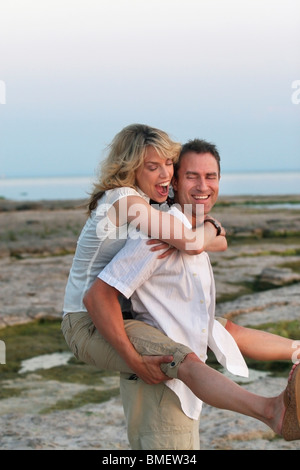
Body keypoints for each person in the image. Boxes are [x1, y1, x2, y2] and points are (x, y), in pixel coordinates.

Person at [83, 139, 300, 449]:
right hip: (160, 390)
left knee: (218, 325)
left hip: (182, 386)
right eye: (191, 176)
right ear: (173, 183)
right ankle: (271, 411)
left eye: (210, 176)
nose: (203, 185)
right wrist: (132, 358)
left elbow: (217, 326)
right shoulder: (157, 235)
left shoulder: (191, 231)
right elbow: (97, 296)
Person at [62, 123, 226, 387]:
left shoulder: (149, 201)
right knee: (186, 356)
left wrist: (205, 230)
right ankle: (268, 409)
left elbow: (218, 242)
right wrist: (207, 229)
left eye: (169, 163)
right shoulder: (124, 200)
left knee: (216, 327)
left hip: (116, 314)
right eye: (152, 167)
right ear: (130, 169)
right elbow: (195, 242)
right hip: (85, 320)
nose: (165, 174)